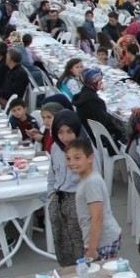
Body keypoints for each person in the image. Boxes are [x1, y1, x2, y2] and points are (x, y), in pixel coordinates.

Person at [65, 138, 121, 261]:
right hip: (100, 240)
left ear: (90, 158)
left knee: (103, 274)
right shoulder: (86, 179)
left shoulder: (91, 182)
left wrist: (92, 248)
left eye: (77, 158)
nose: (72, 162)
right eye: (68, 158)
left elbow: (97, 217)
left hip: (103, 241)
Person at [46, 110, 86, 267]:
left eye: (69, 131)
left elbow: (92, 180)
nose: (65, 137)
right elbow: (52, 175)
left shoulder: (85, 151)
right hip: (59, 199)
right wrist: (51, 196)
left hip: (78, 200)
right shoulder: (56, 148)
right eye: (60, 132)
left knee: (79, 245)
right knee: (62, 243)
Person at [72, 68, 124, 144]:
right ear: (92, 83)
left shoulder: (82, 95)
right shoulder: (94, 101)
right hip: (103, 141)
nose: (101, 83)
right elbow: (105, 122)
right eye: (99, 81)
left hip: (92, 136)